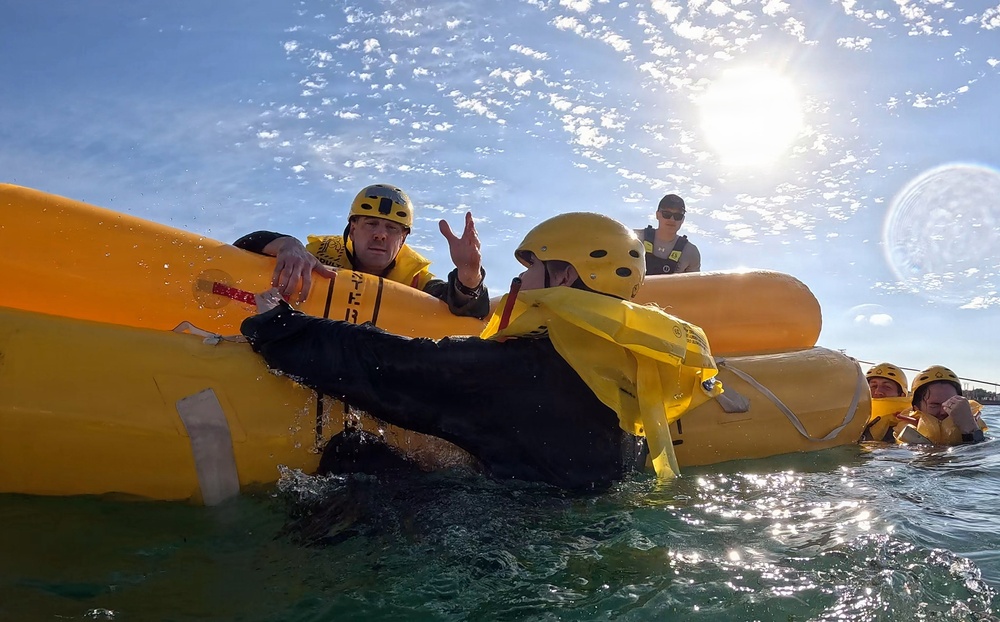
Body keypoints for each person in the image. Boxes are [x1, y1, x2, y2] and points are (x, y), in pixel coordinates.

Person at [241, 212, 722, 492]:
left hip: (508, 543)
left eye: (532, 266)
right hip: (586, 528)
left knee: (352, 455)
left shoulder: (520, 368)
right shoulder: (632, 362)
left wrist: (281, 327)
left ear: (565, 275)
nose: (520, 278)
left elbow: (396, 367)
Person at [234, 183, 489, 318]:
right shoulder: (314, 257)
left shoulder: (417, 282)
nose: (380, 234)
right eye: (371, 224)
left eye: (392, 228)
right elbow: (243, 246)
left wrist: (469, 274)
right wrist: (287, 244)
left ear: (402, 240)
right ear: (353, 229)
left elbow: (465, 308)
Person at [894, 365, 988, 445]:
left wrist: (970, 428)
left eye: (951, 403)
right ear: (916, 408)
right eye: (934, 405)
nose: (944, 411)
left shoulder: (972, 424)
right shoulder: (907, 432)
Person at [637, 193, 701, 275]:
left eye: (678, 216)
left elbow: (694, 282)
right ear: (657, 215)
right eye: (666, 214)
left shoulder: (690, 252)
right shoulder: (636, 239)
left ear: (682, 220)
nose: (672, 220)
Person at [860, 362, 910, 442]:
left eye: (887, 387)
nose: (877, 392)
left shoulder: (909, 425)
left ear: (902, 395)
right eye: (873, 386)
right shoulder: (853, 421)